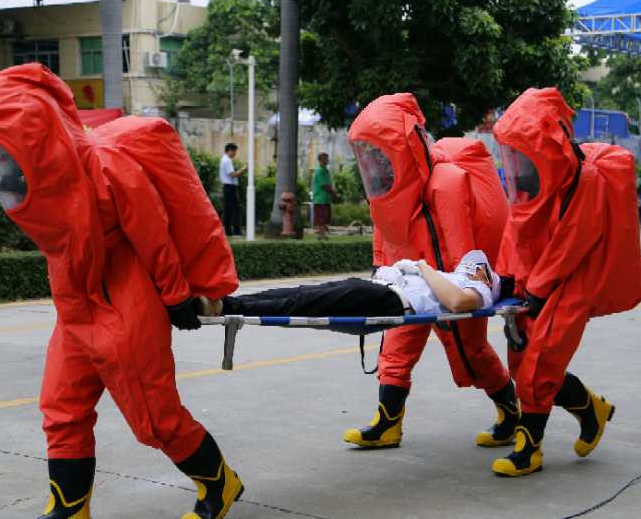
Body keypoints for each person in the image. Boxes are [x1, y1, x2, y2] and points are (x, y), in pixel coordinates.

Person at [0, 64, 243, 519]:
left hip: (126, 301)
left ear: (37, 137)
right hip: (75, 303)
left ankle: (219, 484)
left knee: (156, 419)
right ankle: (70, 509)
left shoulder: (107, 166)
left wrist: (175, 296)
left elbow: (153, 234)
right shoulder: (37, 182)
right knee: (62, 407)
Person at [491, 87, 641, 477]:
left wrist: (537, 289)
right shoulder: (531, 178)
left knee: (540, 362)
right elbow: (516, 229)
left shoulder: (585, 179)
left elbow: (573, 241)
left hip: (573, 281)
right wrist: (507, 276)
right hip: (535, 281)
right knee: (521, 361)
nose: (517, 160)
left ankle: (529, 449)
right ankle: (591, 409)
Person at [346, 94, 515, 451]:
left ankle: (510, 411)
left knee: (471, 350)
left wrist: (452, 292)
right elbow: (385, 234)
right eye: (369, 153)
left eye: (382, 151)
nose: (375, 162)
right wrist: (381, 271)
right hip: (412, 280)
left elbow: (461, 248)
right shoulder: (387, 191)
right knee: (395, 346)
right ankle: (388, 423)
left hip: (448, 282)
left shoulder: (446, 182)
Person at [211, 250, 500, 318]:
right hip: (382, 289)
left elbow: (457, 303)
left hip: (392, 300)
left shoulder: (480, 291)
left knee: (303, 303)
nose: (468, 269)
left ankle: (228, 308)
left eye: (475, 268)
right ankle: (228, 302)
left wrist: (423, 267)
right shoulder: (454, 278)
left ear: (486, 276)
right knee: (301, 292)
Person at [219, 143, 247, 236]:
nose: (235, 153)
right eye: (234, 151)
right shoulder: (227, 160)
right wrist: (243, 169)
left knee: (229, 209)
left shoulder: (224, 159)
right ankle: (236, 231)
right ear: (230, 150)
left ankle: (228, 231)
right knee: (235, 209)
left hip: (228, 187)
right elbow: (232, 174)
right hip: (230, 187)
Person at [312, 152, 336, 240]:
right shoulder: (320, 171)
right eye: (325, 159)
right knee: (321, 218)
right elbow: (324, 185)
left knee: (325, 218)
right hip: (320, 199)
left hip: (326, 199)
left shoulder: (325, 170)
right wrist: (333, 192)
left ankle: (321, 234)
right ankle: (322, 235)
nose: (327, 160)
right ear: (320, 160)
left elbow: (328, 184)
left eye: (327, 158)